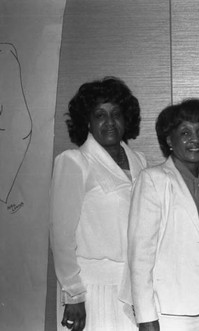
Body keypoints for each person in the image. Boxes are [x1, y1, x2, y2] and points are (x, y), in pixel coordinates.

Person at [126, 99, 199, 331]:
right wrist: (146, 316)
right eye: (185, 132)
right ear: (169, 140)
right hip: (172, 308)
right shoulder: (153, 179)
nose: (195, 139)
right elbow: (140, 255)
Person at [50, 76, 147, 331]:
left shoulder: (141, 162)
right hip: (92, 290)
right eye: (100, 115)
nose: (109, 122)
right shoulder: (74, 162)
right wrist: (73, 295)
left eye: (116, 114)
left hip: (137, 287)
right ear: (88, 122)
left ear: (126, 119)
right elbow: (61, 237)